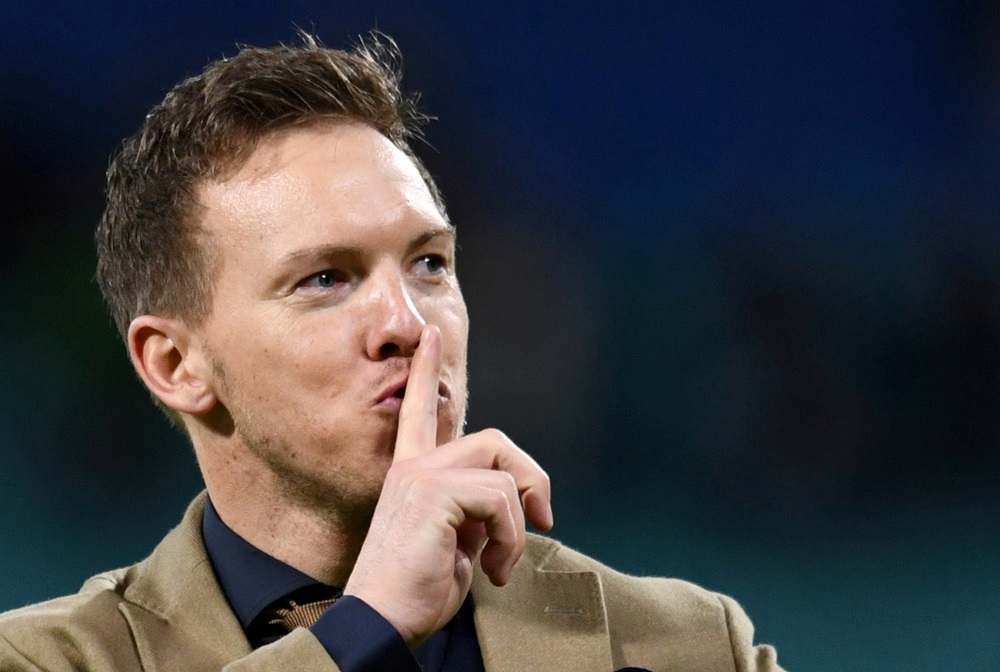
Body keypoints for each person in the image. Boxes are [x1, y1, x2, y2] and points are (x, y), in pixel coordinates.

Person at [0, 33, 783, 672]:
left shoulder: (687, 645)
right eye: (326, 279)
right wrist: (362, 629)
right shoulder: (45, 659)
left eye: (430, 264)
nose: (408, 322)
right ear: (176, 365)